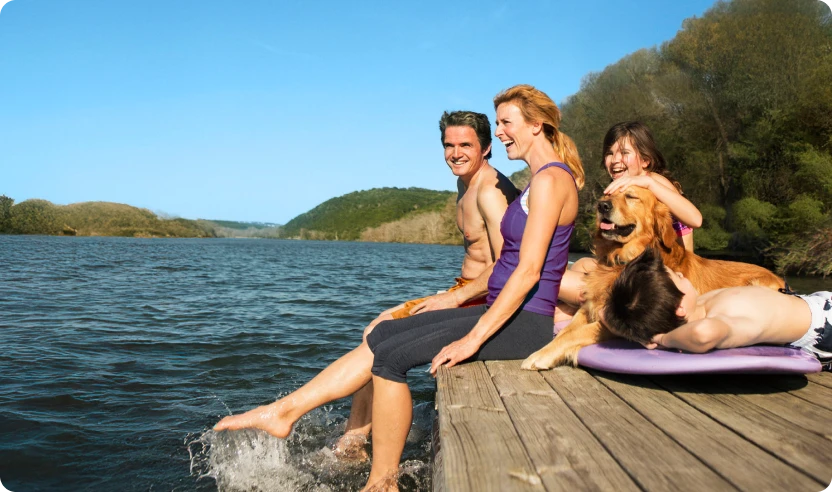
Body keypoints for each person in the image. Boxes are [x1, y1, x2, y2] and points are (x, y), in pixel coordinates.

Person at [213, 84, 584, 491]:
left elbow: (528, 271)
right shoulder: (537, 181)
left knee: (392, 359)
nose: (499, 132)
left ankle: (382, 481)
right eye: (497, 123)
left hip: (523, 323)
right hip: (504, 311)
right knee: (383, 336)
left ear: (536, 125)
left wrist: (472, 337)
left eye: (505, 123)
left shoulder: (550, 181)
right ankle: (288, 414)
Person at [333, 111, 519, 460]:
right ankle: (356, 437)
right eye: (449, 145)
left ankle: (353, 440)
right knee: (376, 328)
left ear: (486, 148)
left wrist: (455, 298)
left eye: (466, 145)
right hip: (463, 289)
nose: (455, 153)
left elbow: (506, 265)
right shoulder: (465, 183)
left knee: (377, 332)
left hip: (480, 298)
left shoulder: (490, 192)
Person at [556, 121, 703, 320]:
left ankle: (583, 310)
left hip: (670, 272)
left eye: (624, 153)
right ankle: (572, 311)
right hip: (637, 264)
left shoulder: (654, 182)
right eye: (610, 153)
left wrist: (649, 183)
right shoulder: (622, 188)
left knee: (565, 282)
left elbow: (695, 219)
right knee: (582, 263)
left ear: (645, 161)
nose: (615, 159)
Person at [599, 247, 832, 370]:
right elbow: (703, 334)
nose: (681, 273)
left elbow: (605, 314)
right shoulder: (720, 320)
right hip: (823, 328)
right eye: (677, 277)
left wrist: (642, 335)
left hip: (814, 303)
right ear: (680, 308)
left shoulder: (698, 306)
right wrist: (662, 339)